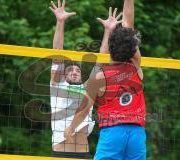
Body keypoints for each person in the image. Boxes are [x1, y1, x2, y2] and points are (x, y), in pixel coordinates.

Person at [65, 0, 147, 159]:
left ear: (110, 49)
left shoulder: (100, 76)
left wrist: (71, 128)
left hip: (112, 132)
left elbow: (84, 108)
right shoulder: (135, 67)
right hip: (137, 132)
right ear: (131, 49)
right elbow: (129, 30)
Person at [49, 0, 95, 158]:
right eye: (70, 69)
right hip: (60, 152)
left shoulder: (88, 88)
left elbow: (102, 61)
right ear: (64, 74)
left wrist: (108, 31)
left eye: (78, 70)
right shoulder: (56, 85)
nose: (74, 71)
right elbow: (57, 54)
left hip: (83, 154)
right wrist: (60, 21)